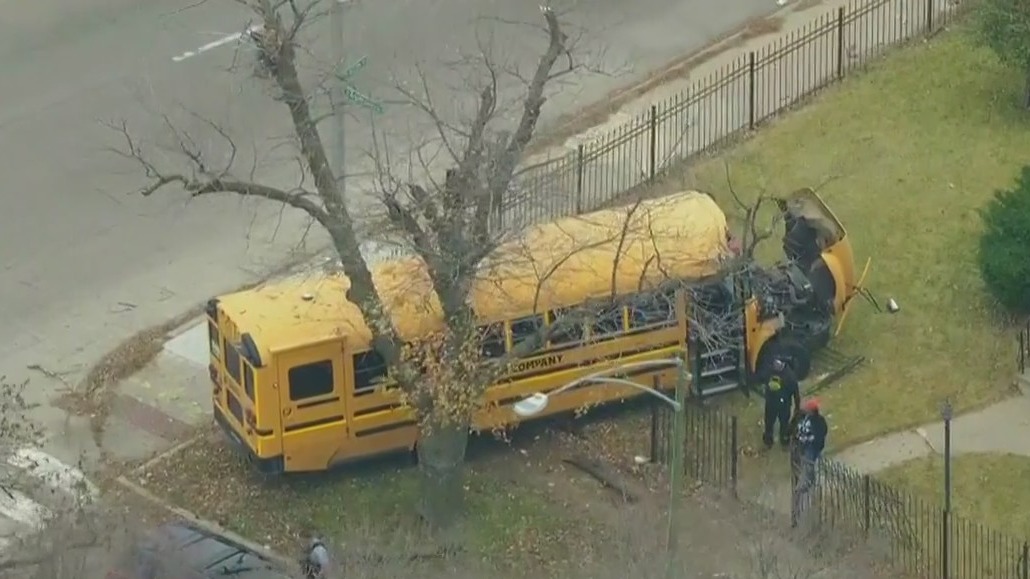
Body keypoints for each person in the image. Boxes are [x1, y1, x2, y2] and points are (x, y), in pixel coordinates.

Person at [762, 358, 800, 449]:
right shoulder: (769, 370)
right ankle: (768, 441)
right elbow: (763, 379)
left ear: (782, 364)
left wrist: (797, 407)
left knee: (784, 424)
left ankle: (784, 441)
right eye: (774, 363)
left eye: (777, 364)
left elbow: (796, 393)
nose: (775, 366)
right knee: (768, 422)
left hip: (784, 405)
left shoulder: (790, 376)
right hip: (771, 403)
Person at [794, 397, 828, 489]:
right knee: (807, 462)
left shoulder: (818, 421)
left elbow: (821, 433)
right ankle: (808, 478)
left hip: (812, 447)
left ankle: (809, 482)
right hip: (804, 445)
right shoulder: (806, 418)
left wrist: (810, 440)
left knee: (809, 464)